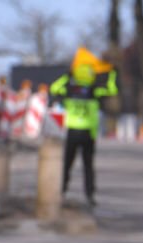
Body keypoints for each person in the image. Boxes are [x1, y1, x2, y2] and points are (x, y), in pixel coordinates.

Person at [50, 63, 118, 206]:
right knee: (88, 166)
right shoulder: (94, 91)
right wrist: (112, 74)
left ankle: (61, 191)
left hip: (73, 132)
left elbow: (54, 88)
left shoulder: (69, 89)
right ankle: (90, 194)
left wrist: (67, 76)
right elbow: (112, 90)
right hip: (88, 133)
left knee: (67, 164)